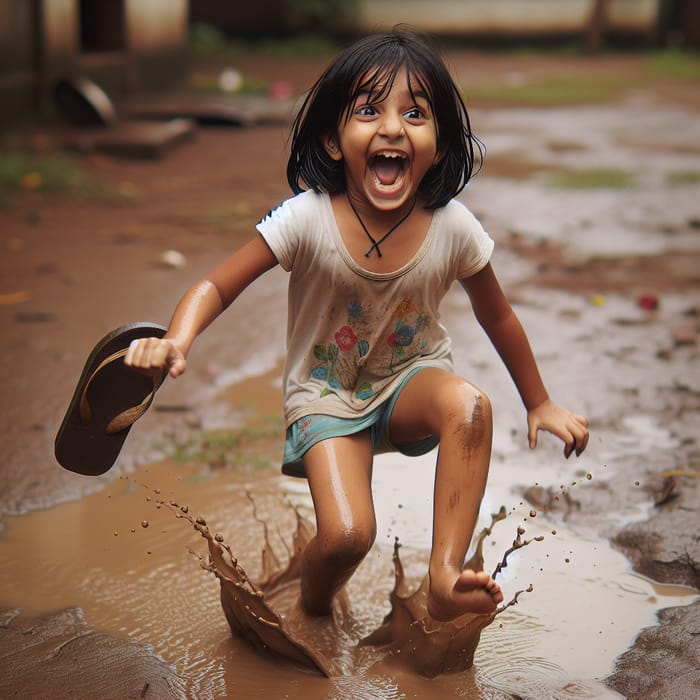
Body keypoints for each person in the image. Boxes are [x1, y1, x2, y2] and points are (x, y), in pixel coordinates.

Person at [124, 28, 589, 623]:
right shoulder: (305, 219)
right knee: (347, 536)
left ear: (440, 146)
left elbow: (496, 312)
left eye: (415, 114)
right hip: (325, 393)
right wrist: (176, 338)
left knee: (469, 406)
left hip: (409, 382)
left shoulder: (454, 227)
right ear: (333, 138)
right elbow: (218, 284)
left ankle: (444, 576)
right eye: (369, 110)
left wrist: (540, 401)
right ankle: (312, 602)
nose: (393, 127)